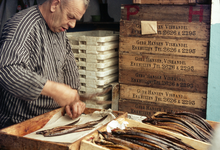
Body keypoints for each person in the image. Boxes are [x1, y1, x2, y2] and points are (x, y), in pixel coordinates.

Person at [0, 0, 90, 129]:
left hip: (53, 118)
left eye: (76, 19)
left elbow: (68, 65)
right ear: (54, 5)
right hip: (20, 123)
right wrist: (53, 90)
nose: (73, 24)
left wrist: (73, 100)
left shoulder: (58, 27)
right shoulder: (22, 26)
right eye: (70, 17)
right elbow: (7, 70)